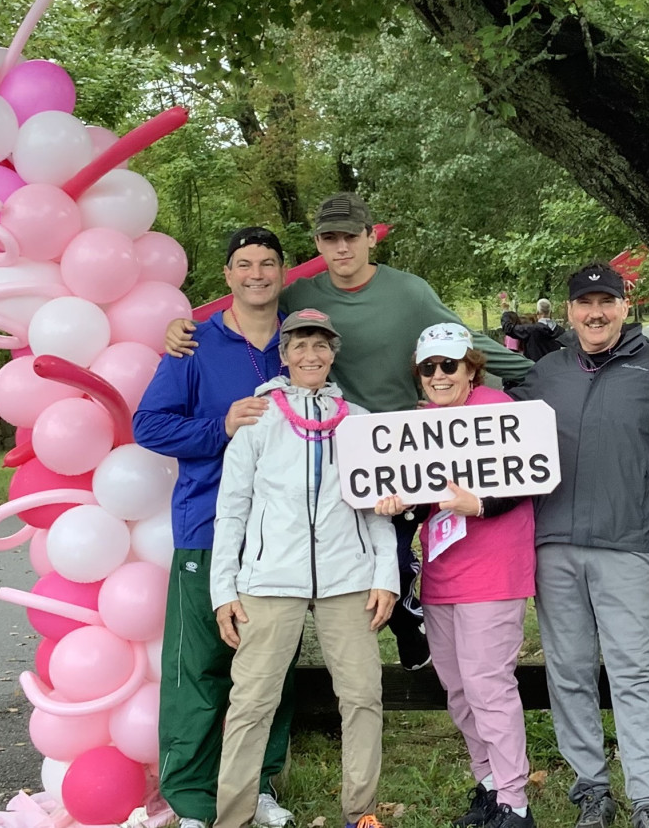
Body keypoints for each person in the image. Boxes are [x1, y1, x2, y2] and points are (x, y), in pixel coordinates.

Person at [168, 192, 533, 671]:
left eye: (350, 237)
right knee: (341, 551)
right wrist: (185, 325)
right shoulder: (301, 295)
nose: (341, 248)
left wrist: (539, 370)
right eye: (330, 238)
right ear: (318, 243)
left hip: (397, 450)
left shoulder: (409, 293)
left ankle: (408, 612)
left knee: (394, 546)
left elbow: (463, 339)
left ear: (369, 238)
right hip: (326, 445)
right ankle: (375, 627)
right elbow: (249, 305)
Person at [132, 227, 297, 828]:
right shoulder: (194, 344)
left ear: (282, 273)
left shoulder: (302, 342)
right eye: (244, 264)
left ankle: (258, 787)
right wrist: (220, 427)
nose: (257, 274)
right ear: (227, 276)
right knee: (198, 668)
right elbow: (148, 425)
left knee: (269, 666)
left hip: (281, 536)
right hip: (206, 527)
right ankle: (191, 798)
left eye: (268, 263)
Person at [210, 308, 398, 828]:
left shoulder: (358, 421)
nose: (310, 355)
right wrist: (223, 588)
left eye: (320, 345)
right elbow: (232, 508)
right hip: (269, 578)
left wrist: (385, 575)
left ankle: (361, 813)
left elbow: (375, 507)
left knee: (363, 696)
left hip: (348, 577)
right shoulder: (258, 417)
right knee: (252, 702)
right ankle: (232, 818)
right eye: (299, 345)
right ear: (285, 354)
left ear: (333, 354)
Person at [511, 262, 649, 828]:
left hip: (624, 540)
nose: (596, 313)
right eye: (585, 303)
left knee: (634, 669)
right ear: (570, 311)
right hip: (553, 541)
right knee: (569, 671)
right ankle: (591, 788)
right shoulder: (546, 371)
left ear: (625, 307)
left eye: (607, 302)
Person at [374, 323, 537, 828]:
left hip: (494, 570)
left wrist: (480, 503)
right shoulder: (421, 424)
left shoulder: (499, 409)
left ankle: (515, 802)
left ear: (471, 368)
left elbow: (530, 476)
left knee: (489, 686)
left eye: (449, 365)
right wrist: (396, 501)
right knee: (459, 689)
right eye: (429, 367)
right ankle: (488, 785)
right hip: (442, 573)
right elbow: (422, 502)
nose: (439, 375)